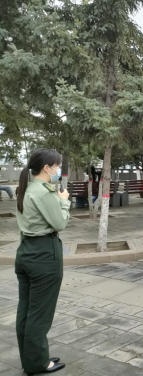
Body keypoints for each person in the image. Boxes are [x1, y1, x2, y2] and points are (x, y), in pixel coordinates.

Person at [15, 148, 70, 375]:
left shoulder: (26, 188)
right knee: (40, 313)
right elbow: (59, 223)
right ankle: (38, 363)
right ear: (46, 168)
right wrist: (64, 202)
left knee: (26, 310)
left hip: (26, 251)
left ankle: (31, 358)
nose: (58, 169)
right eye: (56, 166)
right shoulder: (44, 192)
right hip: (44, 254)